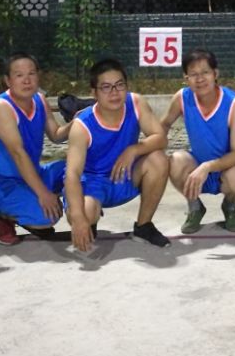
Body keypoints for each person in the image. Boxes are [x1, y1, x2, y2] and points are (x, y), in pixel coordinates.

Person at [64, 58, 171, 251]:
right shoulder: (82, 126)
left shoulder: (135, 103)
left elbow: (161, 138)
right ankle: (90, 218)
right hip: (92, 182)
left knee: (158, 160)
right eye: (106, 87)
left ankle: (143, 226)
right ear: (94, 93)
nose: (114, 92)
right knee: (84, 213)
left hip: (123, 174)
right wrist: (79, 218)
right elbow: (72, 174)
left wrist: (133, 150)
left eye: (119, 85)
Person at [0, 53, 73, 245]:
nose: (27, 80)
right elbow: (18, 153)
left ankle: (74, 209)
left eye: (31, 73)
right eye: (19, 75)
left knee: (78, 169)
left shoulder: (39, 99)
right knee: (47, 217)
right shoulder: (2, 106)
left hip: (34, 173)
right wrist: (44, 194)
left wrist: (79, 121)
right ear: (8, 80)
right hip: (5, 181)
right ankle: (2, 216)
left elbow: (56, 135)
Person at [161, 49, 235, 234]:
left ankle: (229, 206)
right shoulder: (182, 97)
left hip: (228, 166)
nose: (200, 79)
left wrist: (207, 167)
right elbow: (163, 125)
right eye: (193, 74)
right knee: (175, 161)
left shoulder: (233, 102)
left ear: (215, 73)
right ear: (186, 78)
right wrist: (155, 153)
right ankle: (195, 207)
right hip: (198, 163)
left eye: (205, 72)